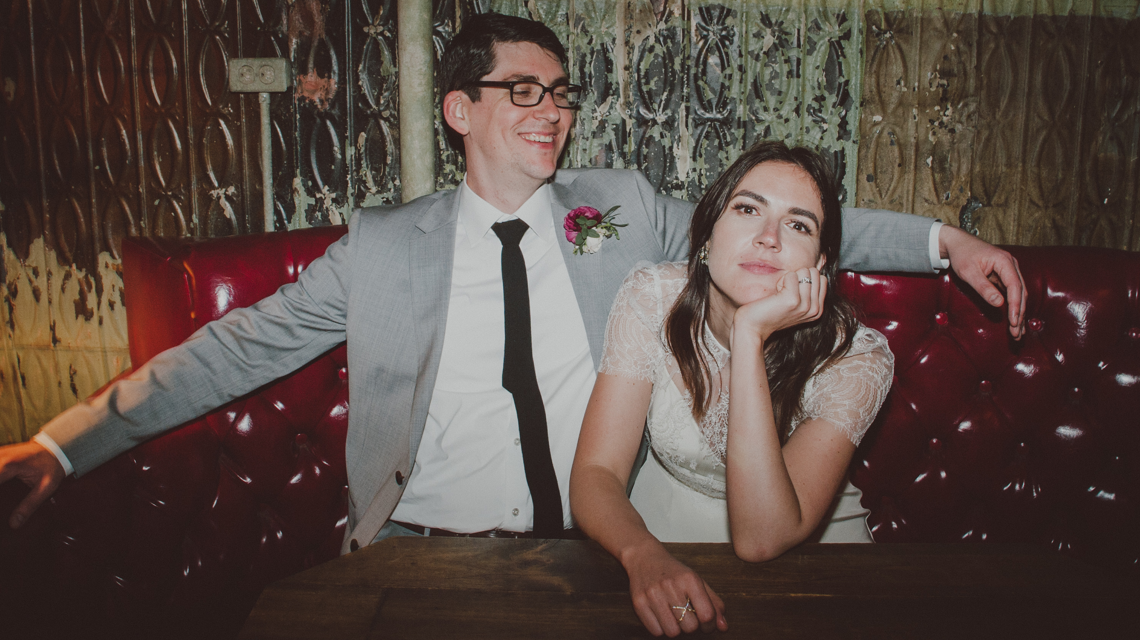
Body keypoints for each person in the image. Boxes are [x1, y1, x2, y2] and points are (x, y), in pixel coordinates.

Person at [0, 14, 1021, 552]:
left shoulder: (612, 207)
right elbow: (236, 347)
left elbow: (773, 229)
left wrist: (944, 243)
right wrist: (61, 445)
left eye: (560, 93)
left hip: (591, 544)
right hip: (421, 545)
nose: (552, 111)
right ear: (459, 111)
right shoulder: (383, 247)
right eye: (521, 90)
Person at [570, 141, 895, 637]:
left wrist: (749, 335)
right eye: (747, 209)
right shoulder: (651, 298)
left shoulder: (856, 358)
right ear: (706, 234)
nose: (768, 238)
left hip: (812, 565)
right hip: (663, 538)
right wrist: (643, 555)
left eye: (798, 225)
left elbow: (763, 539)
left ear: (820, 263)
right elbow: (597, 472)